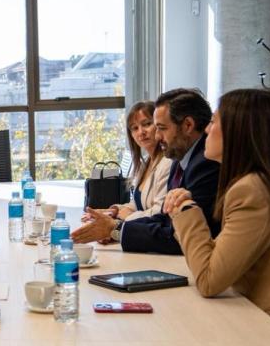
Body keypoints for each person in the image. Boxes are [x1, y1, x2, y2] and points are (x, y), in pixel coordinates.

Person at [165, 89, 270, 324]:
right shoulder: (266, 182)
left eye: (213, 122)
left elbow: (209, 280)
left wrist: (186, 210)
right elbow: (218, 259)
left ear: (238, 132)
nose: (207, 129)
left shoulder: (252, 191)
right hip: (269, 318)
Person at [72, 88, 219, 253]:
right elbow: (165, 217)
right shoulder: (180, 160)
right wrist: (116, 224)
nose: (156, 136)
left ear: (188, 125)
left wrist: (116, 229)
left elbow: (180, 236)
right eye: (134, 128)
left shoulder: (205, 165)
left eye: (161, 128)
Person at [103, 101, 173, 222]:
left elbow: (160, 211)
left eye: (146, 124)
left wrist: (128, 217)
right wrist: (115, 210)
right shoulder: (145, 162)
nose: (141, 132)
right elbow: (137, 203)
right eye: (134, 128)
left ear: (158, 125)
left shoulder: (168, 163)